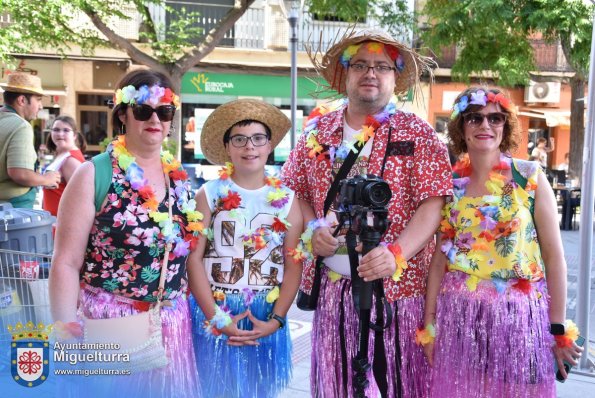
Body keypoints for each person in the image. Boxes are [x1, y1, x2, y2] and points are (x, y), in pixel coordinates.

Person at [281, 29, 453, 397]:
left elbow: (434, 203)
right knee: (338, 388)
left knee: (403, 388)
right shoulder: (317, 131)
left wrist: (396, 254)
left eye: (382, 66)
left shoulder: (418, 133)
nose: (371, 73)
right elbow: (295, 192)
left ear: (395, 77)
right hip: (334, 291)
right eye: (360, 64)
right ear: (346, 74)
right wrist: (313, 230)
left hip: (398, 293)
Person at [48, 70, 202, 397]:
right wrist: (65, 332)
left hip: (171, 326)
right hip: (109, 320)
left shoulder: (180, 178)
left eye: (164, 111)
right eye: (144, 109)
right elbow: (65, 262)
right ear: (123, 113)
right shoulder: (94, 173)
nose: (155, 119)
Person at [421, 87, 583, 397]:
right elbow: (439, 260)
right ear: (461, 126)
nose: (485, 126)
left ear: (505, 126)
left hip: (518, 317)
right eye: (474, 118)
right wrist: (429, 327)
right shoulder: (451, 186)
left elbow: (554, 257)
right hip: (461, 314)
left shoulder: (529, 176)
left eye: (495, 118)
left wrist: (558, 329)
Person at [187, 99, 303, 398]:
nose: (249, 146)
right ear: (227, 147)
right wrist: (217, 317)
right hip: (216, 309)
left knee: (258, 391)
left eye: (257, 138)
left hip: (263, 313)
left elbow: (293, 265)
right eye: (239, 139)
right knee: (214, 389)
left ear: (269, 146)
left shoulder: (289, 200)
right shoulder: (208, 194)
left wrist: (275, 319)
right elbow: (194, 258)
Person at [0, 72, 60, 208]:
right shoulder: (21, 126)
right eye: (38, 100)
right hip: (12, 213)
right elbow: (20, 173)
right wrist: (46, 179)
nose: (41, 106)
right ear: (22, 100)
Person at [42, 115, 86, 216]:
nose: (60, 134)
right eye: (56, 130)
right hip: (53, 222)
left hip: (61, 224)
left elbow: (81, 199)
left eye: (66, 130)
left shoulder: (71, 160)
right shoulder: (63, 155)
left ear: (74, 135)